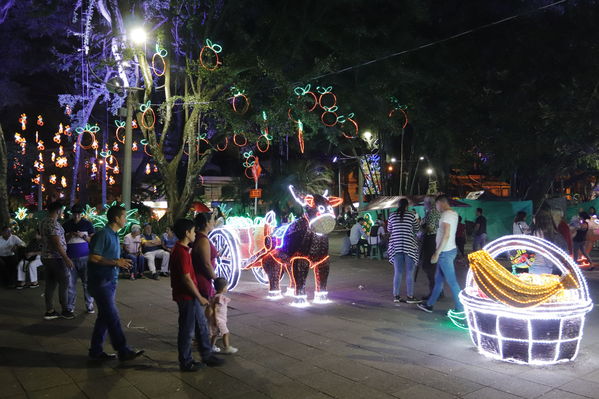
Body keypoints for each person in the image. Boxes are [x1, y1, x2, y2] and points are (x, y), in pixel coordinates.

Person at [87, 205, 144, 361]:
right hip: (101, 282)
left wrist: (119, 263)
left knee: (104, 317)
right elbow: (93, 257)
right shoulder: (103, 234)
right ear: (117, 218)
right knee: (112, 316)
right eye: (124, 216)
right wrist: (115, 262)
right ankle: (123, 350)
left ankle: (96, 351)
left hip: (109, 281)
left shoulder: (113, 235)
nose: (126, 219)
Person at [169, 218, 224, 371]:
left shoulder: (183, 249)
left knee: (201, 327)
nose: (195, 234)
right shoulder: (181, 252)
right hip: (186, 296)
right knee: (187, 331)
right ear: (187, 233)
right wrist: (199, 296)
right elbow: (186, 278)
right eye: (193, 231)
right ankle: (186, 362)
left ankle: (206, 355)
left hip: (190, 296)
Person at [418, 195, 463, 313]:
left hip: (444, 252)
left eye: (436, 204)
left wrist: (437, 253)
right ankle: (429, 304)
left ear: (441, 203)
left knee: (452, 282)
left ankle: (461, 308)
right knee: (438, 280)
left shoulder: (446, 215)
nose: (436, 207)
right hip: (450, 250)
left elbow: (446, 235)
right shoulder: (454, 214)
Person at [40, 201, 75, 320]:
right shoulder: (52, 223)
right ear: (58, 210)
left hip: (46, 257)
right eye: (62, 210)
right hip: (56, 258)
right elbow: (56, 243)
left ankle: (50, 311)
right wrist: (66, 258)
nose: (63, 212)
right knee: (64, 283)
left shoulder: (44, 221)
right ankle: (65, 310)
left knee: (50, 284)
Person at [63, 204, 95, 314]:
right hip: (70, 258)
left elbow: (93, 241)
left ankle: (89, 304)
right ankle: (70, 306)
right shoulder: (67, 225)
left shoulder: (87, 224)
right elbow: (62, 242)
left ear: (81, 214)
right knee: (70, 284)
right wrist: (70, 235)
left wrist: (83, 236)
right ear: (72, 214)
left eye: (78, 214)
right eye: (74, 214)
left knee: (87, 283)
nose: (76, 216)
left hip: (85, 257)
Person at [387, 198, 420, 304]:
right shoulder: (411, 215)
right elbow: (417, 228)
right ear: (407, 206)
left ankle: (396, 296)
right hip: (409, 246)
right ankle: (410, 297)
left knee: (398, 272)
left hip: (396, 247)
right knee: (410, 272)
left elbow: (389, 229)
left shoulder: (392, 215)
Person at [529, 210, 567, 274]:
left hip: (536, 266)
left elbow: (530, 250)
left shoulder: (535, 233)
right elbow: (564, 251)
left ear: (538, 220)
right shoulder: (555, 234)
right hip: (550, 267)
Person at [419, 196, 440, 298]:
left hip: (430, 240)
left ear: (428, 204)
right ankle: (438, 291)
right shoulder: (438, 212)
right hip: (435, 240)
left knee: (428, 266)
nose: (424, 205)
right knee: (433, 267)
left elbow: (430, 228)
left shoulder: (431, 213)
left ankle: (434, 292)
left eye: (424, 203)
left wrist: (421, 227)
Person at [192, 213, 218, 300]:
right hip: (203, 278)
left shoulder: (200, 237)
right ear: (207, 223)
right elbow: (206, 263)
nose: (214, 222)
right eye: (213, 220)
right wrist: (216, 279)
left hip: (203, 277)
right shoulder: (203, 240)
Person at [210, 277, 237, 354]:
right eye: (226, 287)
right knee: (225, 333)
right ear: (223, 288)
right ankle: (227, 348)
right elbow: (215, 309)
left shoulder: (216, 296)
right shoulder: (219, 298)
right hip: (219, 320)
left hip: (218, 319)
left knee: (215, 334)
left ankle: (211, 347)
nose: (226, 288)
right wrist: (216, 320)